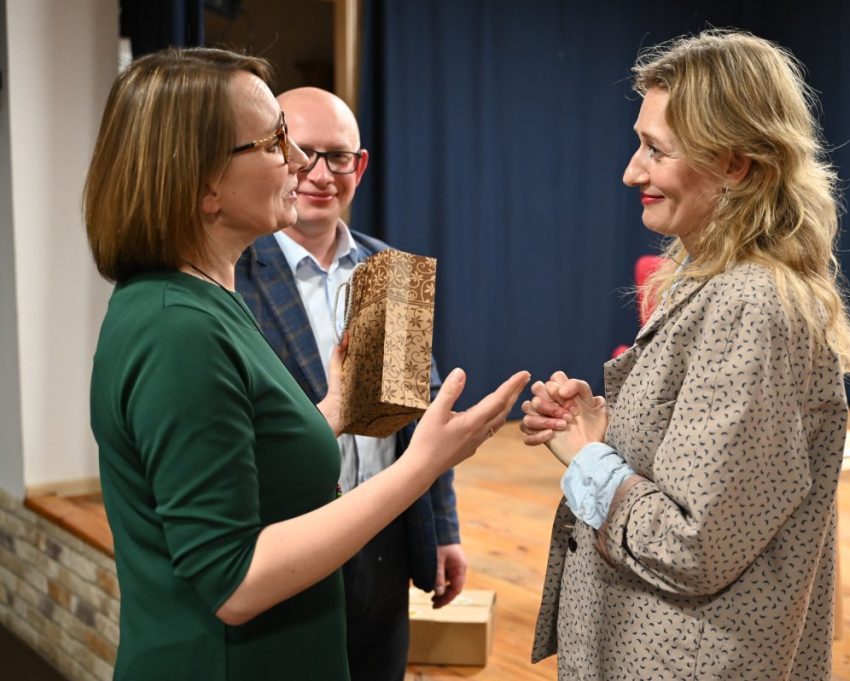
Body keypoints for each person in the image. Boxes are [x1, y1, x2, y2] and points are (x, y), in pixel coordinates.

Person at [83, 47, 529, 681]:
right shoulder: (178, 328)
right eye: (276, 143)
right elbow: (234, 581)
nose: (299, 163)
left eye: (331, 154)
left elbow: (256, 452)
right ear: (204, 182)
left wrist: (336, 410)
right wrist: (424, 464)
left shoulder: (212, 299)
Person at [521, 30, 850, 680]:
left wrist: (588, 457)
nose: (632, 171)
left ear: (736, 164)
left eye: (656, 150)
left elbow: (694, 545)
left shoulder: (752, 303)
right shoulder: (715, 280)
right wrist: (606, 427)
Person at [234, 87, 464, 681]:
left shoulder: (392, 270)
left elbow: (420, 417)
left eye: (337, 157)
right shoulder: (233, 275)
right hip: (290, 542)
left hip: (385, 538)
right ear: (276, 156)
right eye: (302, 153)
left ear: (359, 167)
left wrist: (443, 532)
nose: (319, 174)